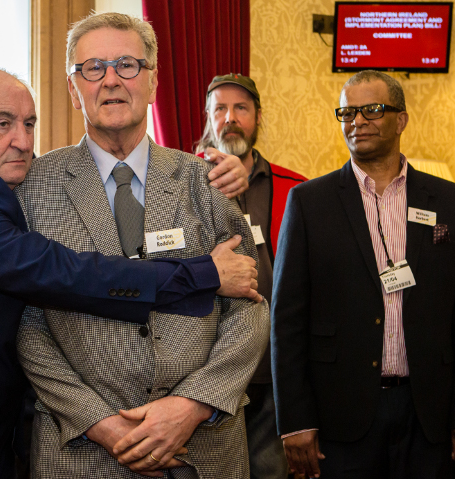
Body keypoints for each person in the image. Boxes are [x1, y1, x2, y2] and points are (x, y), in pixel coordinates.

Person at [0, 63, 261, 479]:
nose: (23, 141)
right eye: (3, 124)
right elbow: (65, 275)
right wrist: (204, 274)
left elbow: (252, 309)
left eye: (29, 124)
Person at [15, 12, 269, 479]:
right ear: (74, 90)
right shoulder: (34, 188)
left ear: (153, 82)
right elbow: (28, 323)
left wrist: (192, 405)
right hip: (81, 451)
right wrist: (101, 423)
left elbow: (250, 307)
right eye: (93, 68)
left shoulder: (205, 179)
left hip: (203, 446)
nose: (111, 80)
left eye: (127, 64)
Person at [271, 70, 455, 478]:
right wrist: (295, 421)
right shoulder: (309, 202)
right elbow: (286, 321)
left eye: (372, 110)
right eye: (347, 111)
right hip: (340, 415)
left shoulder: (451, 201)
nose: (357, 121)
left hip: (428, 413)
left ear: (401, 120)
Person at [196, 73, 306, 479]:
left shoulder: (297, 189)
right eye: (220, 109)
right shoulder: (178, 185)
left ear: (258, 116)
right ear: (208, 118)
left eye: (241, 108)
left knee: (269, 470)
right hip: (206, 364)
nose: (230, 118)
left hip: (273, 368)